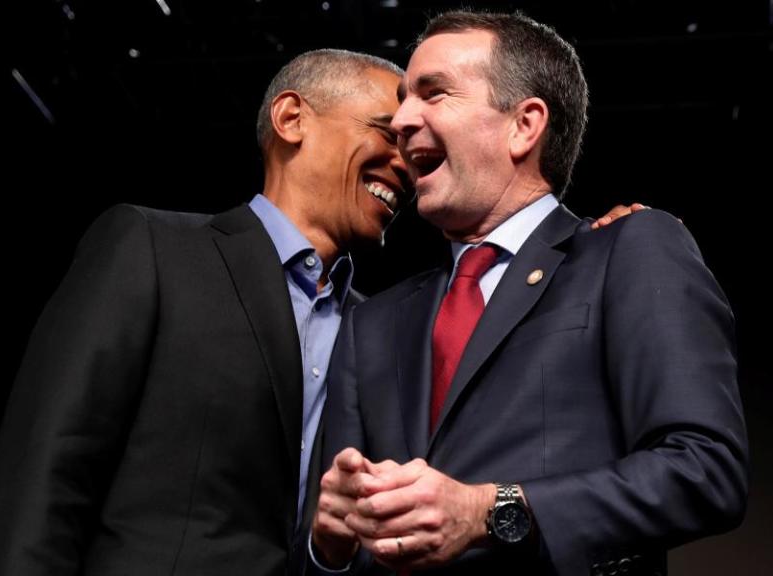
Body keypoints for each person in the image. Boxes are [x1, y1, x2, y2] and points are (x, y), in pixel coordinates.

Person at [312, 10, 748, 576]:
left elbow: (707, 472)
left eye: (432, 93)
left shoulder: (626, 251)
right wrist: (332, 545)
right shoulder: (370, 324)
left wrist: (489, 511)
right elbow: (334, 540)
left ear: (525, 124)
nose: (400, 120)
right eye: (401, 99)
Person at [0, 49, 411, 576]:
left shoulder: (380, 332)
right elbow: (46, 474)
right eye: (390, 134)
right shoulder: (151, 250)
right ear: (292, 119)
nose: (406, 164)